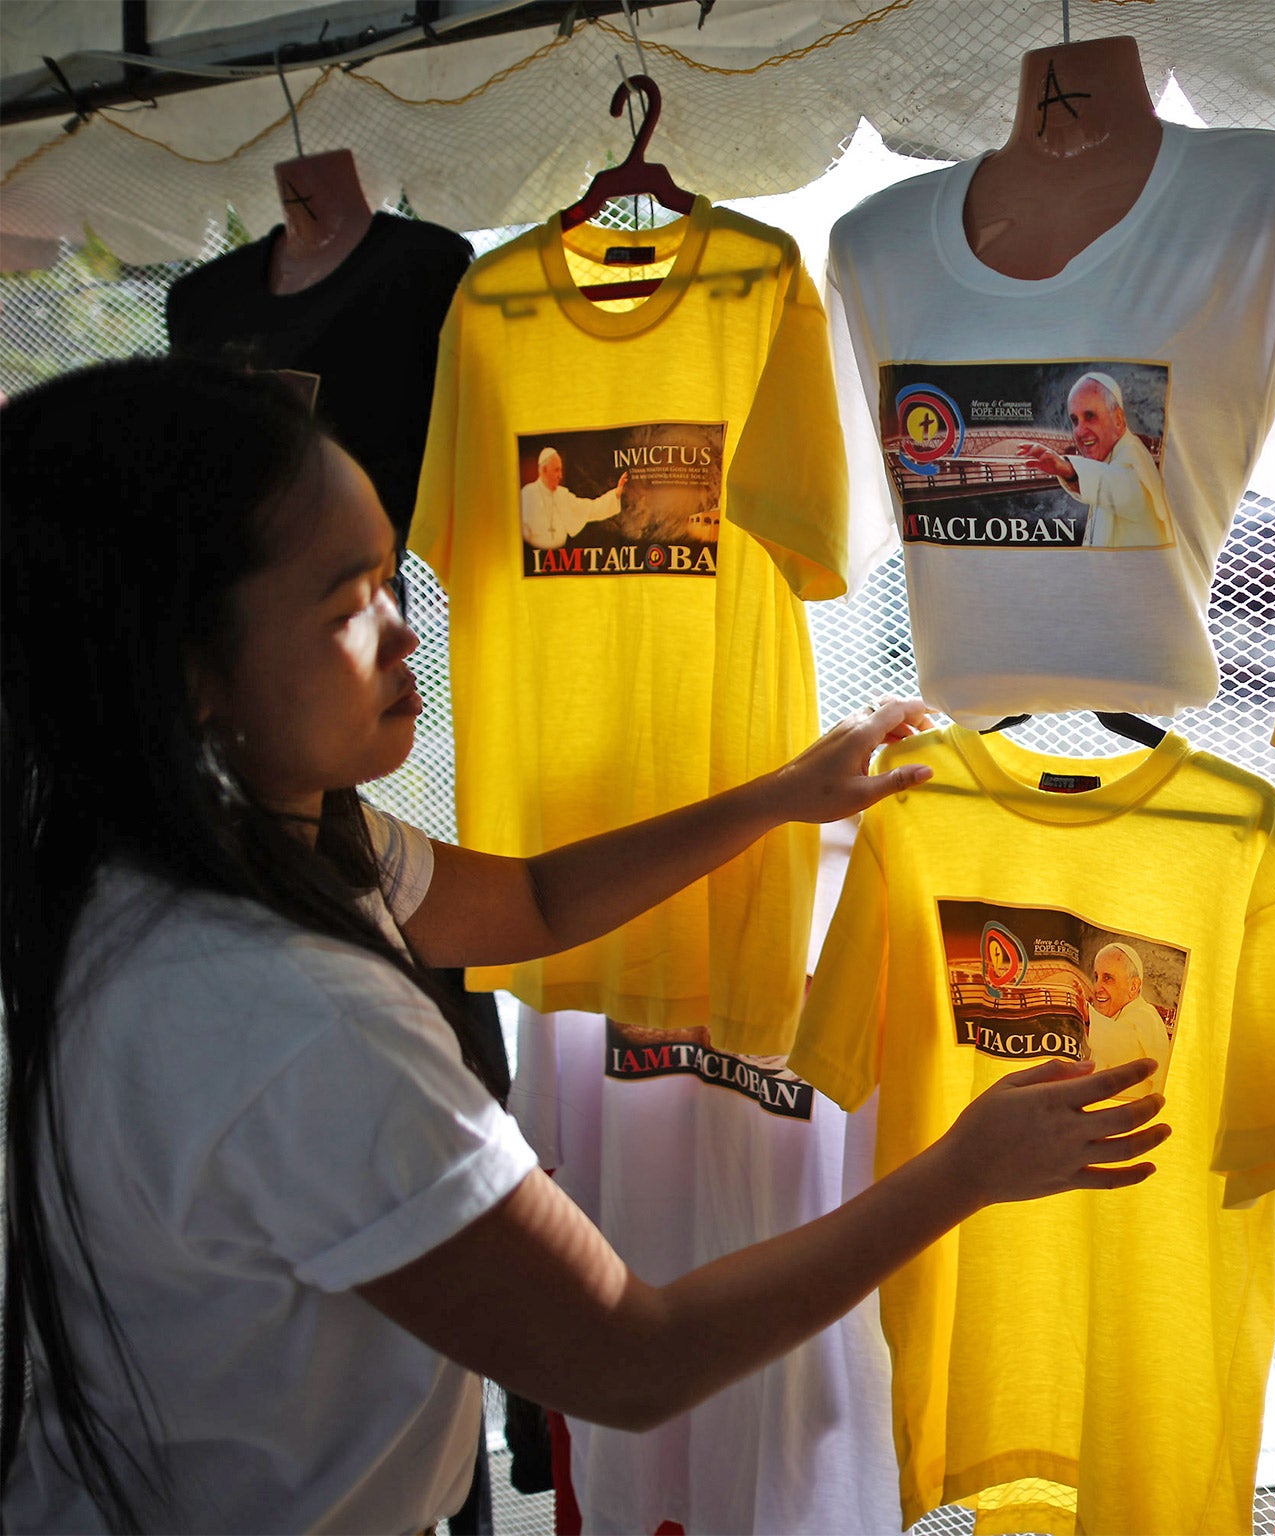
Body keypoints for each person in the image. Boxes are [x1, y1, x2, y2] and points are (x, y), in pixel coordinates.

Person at [0, 357, 1171, 1533]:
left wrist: (775, 797)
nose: (408, 631)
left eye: (393, 573)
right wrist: (961, 1172)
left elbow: (530, 905)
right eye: (348, 604)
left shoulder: (194, 854)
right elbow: (629, 1361)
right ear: (188, 671)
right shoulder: (292, 1018)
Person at [1017, 371, 1170, 548]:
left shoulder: (1132, 455)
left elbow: (1122, 488)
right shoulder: (1108, 457)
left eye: (1090, 416)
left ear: (1118, 419)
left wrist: (1069, 469)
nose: (1080, 431)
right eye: (1075, 421)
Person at [1086, 941, 1173, 1093]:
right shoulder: (1114, 1016)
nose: (1097, 988)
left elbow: (1122, 1047)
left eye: (1107, 978)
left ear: (1133, 986)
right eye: (1096, 977)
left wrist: (1086, 1015)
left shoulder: (1145, 1016)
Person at [520, 445, 627, 549]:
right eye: (556, 470)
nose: (560, 476)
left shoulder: (562, 495)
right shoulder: (527, 494)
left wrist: (616, 494)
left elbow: (591, 509)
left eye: (561, 470)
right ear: (544, 470)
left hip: (561, 557)